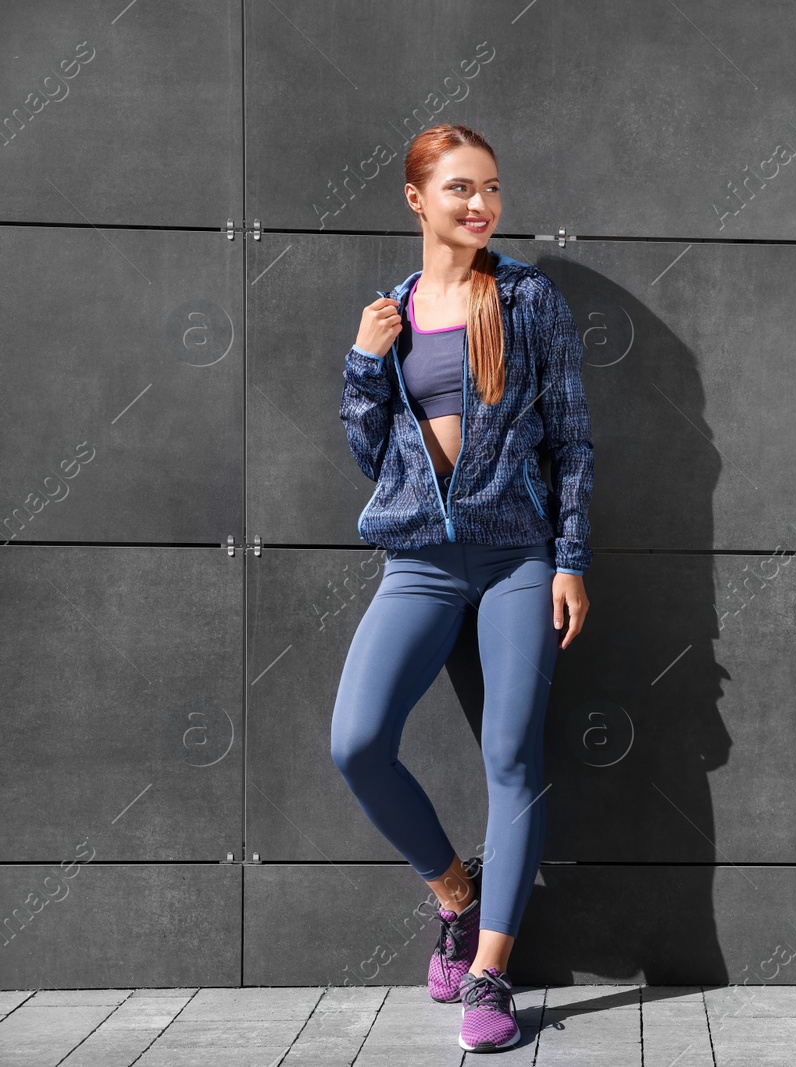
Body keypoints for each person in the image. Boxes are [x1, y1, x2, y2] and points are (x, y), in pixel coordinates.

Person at [329, 122, 593, 1054]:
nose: (480, 205)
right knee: (357, 740)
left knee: (512, 753)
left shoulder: (526, 300)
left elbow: (570, 440)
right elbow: (371, 457)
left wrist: (569, 559)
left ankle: (490, 973)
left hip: (518, 555)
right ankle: (454, 890)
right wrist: (366, 362)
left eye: (490, 189)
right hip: (420, 561)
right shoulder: (392, 312)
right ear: (417, 199)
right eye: (459, 190)